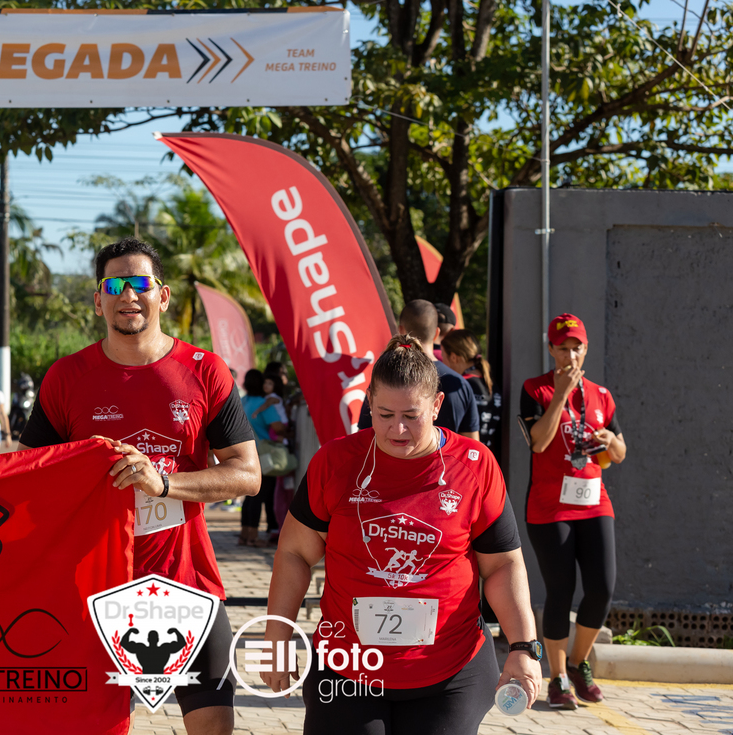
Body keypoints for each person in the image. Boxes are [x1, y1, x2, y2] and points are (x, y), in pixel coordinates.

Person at [20, 237, 260, 735]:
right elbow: (28, 478)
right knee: (98, 727)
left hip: (187, 581)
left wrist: (163, 481)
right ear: (98, 300)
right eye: (114, 284)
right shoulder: (66, 378)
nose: (128, 295)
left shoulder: (205, 371)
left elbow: (247, 474)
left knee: (214, 726)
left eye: (140, 284)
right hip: (96, 586)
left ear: (163, 296)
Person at [263, 334, 542, 733]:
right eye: (384, 414)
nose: (397, 429)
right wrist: (278, 637)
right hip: (348, 669)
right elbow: (294, 553)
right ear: (369, 408)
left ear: (437, 406)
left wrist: (522, 647)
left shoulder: (476, 466)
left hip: (450, 672)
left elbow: (501, 565)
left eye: (412, 415)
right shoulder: (336, 462)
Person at [520, 313, 626, 710]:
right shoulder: (535, 389)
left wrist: (608, 442)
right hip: (550, 508)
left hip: (594, 501)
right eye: (561, 347)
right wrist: (561, 394)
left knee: (602, 587)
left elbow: (619, 453)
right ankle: (558, 676)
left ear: (586, 348)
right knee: (560, 591)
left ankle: (579, 663)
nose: (569, 354)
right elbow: (538, 443)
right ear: (550, 349)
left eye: (576, 346)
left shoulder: (602, 395)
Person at [358, 300, 479, 439]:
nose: (399, 429)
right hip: (446, 461)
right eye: (387, 414)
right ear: (436, 333)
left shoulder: (387, 376)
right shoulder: (460, 383)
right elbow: (471, 444)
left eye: (412, 416)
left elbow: (364, 437)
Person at [239, 369, 284, 547]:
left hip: (244, 453)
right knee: (261, 495)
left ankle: (244, 534)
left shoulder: (243, 401)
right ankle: (253, 537)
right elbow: (278, 427)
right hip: (263, 455)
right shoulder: (263, 404)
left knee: (249, 497)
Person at [441, 330, 499, 453]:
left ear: (453, 357)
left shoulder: (459, 386)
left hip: (466, 460)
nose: (442, 363)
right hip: (488, 461)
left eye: (443, 356)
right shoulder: (491, 384)